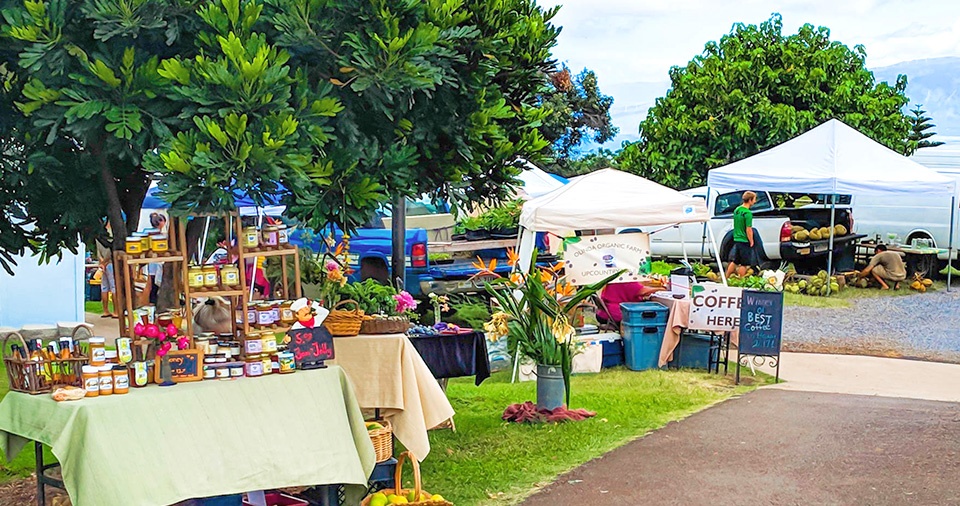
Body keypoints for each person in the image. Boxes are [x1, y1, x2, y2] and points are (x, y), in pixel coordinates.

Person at [596, 282, 663, 325]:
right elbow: (643, 291)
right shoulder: (626, 280)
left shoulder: (616, 279)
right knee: (652, 317)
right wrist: (663, 289)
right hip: (616, 313)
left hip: (604, 312)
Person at [725, 191, 759, 278]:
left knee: (735, 261)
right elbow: (748, 229)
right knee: (744, 263)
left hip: (736, 238)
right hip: (744, 240)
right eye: (754, 199)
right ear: (750, 200)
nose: (755, 202)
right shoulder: (747, 213)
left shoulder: (737, 210)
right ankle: (741, 279)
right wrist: (751, 241)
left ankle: (726, 277)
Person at [96, 239, 118, 318]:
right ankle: (116, 311)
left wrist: (101, 262)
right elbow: (109, 252)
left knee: (104, 287)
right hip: (110, 263)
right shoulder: (109, 236)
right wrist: (105, 262)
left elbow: (98, 252)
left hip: (101, 265)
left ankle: (105, 310)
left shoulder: (98, 237)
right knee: (114, 287)